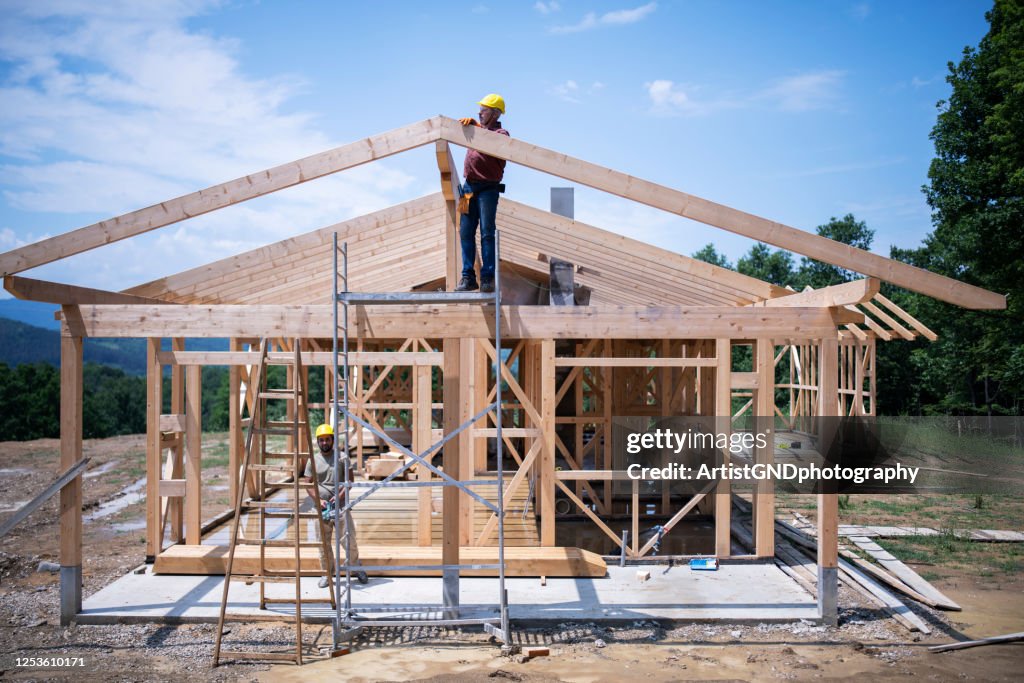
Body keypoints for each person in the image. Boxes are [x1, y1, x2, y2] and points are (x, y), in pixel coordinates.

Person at [455, 93, 510, 293]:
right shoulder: (476, 130)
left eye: (484, 110)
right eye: (480, 109)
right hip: (467, 188)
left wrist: (477, 129)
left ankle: (487, 278)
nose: (479, 113)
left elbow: (495, 142)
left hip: (488, 189)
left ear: (495, 113)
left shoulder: (502, 133)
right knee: (464, 230)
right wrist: (473, 128)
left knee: (487, 232)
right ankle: (467, 277)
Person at [306, 423, 368, 585]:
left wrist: (340, 495)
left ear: (333, 440)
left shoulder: (342, 457)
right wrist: (319, 501)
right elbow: (308, 484)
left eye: (327, 439)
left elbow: (350, 481)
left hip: (340, 507)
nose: (324, 443)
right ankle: (328, 573)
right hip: (321, 509)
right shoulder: (313, 459)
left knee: (348, 540)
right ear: (318, 442)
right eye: (321, 440)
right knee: (323, 543)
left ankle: (355, 568)